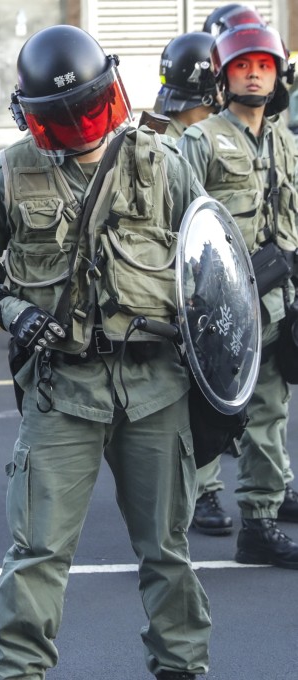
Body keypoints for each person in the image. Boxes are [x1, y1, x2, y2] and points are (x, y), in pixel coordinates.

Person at [0, 25, 212, 680]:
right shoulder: (9, 172)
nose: (82, 126)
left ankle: (181, 669)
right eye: (66, 118)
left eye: (90, 109)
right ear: (37, 119)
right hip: (63, 391)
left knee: (168, 555)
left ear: (111, 95)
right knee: (37, 555)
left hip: (157, 388)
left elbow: (208, 261)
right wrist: (16, 313)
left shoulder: (164, 161)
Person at [177, 6, 298, 569]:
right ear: (223, 75)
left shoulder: (287, 144)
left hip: (279, 303)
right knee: (210, 413)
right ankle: (190, 506)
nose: (254, 75)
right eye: (242, 65)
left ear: (278, 77)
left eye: (263, 66)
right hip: (222, 305)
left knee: (271, 412)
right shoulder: (201, 140)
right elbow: (177, 220)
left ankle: (261, 521)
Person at [154, 30, 234, 536]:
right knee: (195, 399)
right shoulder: (179, 147)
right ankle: (200, 493)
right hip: (185, 290)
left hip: (201, 284)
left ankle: (201, 491)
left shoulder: (163, 138)